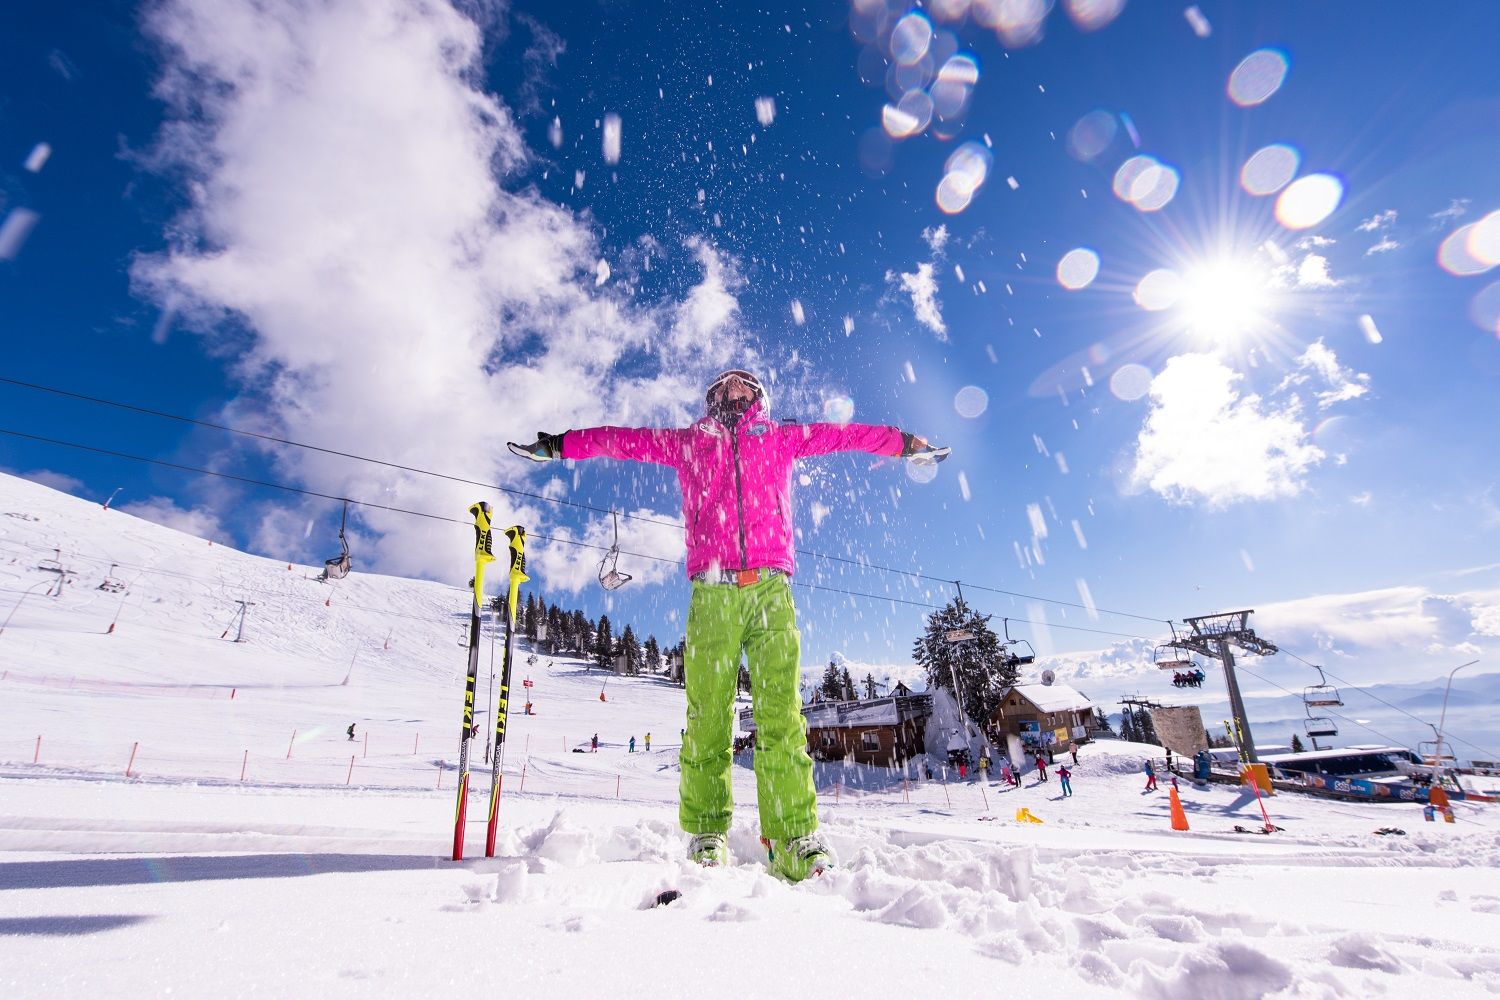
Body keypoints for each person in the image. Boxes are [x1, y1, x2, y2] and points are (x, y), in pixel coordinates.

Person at [510, 369, 947, 881]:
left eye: (744, 385)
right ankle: (707, 835)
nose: (733, 390)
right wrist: (563, 445)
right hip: (712, 593)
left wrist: (902, 444)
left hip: (770, 590)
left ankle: (792, 838)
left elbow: (845, 435)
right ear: (712, 398)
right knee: (708, 719)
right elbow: (622, 441)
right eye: (723, 386)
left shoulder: (783, 438)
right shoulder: (688, 443)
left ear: (758, 397)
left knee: (782, 719)